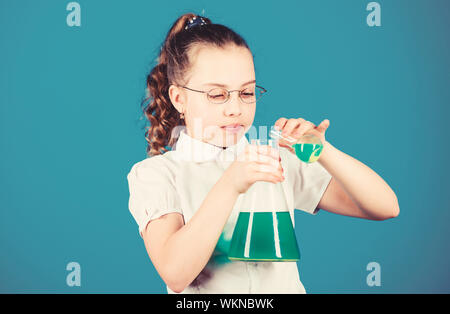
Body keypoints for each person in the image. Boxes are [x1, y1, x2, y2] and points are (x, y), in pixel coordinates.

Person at [126, 13, 400, 294]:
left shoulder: (276, 158)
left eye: (246, 93)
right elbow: (175, 273)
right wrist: (231, 184)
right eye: (217, 95)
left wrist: (324, 152)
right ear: (179, 98)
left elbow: (385, 206)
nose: (235, 108)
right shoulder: (156, 175)